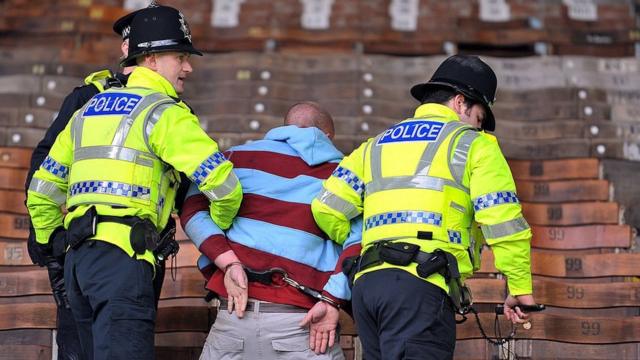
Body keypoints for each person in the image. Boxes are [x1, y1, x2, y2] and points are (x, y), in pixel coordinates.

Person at [26, 5, 242, 360]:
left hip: (79, 265)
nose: (188, 67)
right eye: (180, 57)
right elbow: (224, 183)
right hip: (126, 263)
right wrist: (219, 224)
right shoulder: (166, 113)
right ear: (152, 59)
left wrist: (55, 244)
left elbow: (41, 192)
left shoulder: (87, 110)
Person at [311, 55, 538, 359]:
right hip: (419, 285)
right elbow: (503, 221)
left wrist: (369, 242)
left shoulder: (374, 145)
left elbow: (326, 208)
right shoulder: (475, 145)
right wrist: (520, 288)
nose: (478, 127)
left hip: (367, 287)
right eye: (479, 119)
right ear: (460, 103)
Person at [180, 102, 361, 359]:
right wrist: (333, 299)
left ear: (283, 128)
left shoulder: (233, 158)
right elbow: (360, 242)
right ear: (327, 137)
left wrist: (228, 261)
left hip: (232, 321)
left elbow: (193, 210)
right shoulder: (342, 176)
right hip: (303, 329)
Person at [23, 12, 142, 360]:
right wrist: (48, 241)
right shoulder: (87, 96)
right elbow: (44, 164)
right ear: (125, 49)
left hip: (137, 248)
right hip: (79, 243)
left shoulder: (170, 104)